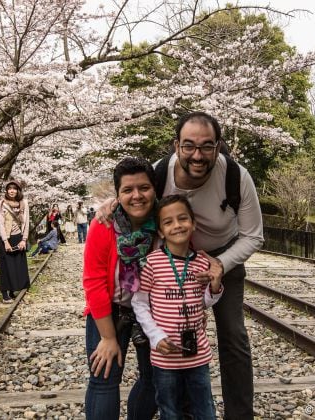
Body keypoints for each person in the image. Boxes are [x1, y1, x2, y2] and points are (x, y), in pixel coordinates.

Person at [98, 111, 264, 419]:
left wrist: (220, 265)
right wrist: (110, 205)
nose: (197, 155)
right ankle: (185, 411)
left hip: (222, 257)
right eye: (189, 146)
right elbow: (137, 196)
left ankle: (240, 414)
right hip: (172, 261)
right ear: (177, 146)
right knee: (174, 331)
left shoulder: (236, 177)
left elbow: (254, 236)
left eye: (206, 146)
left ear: (218, 146)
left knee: (233, 335)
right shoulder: (161, 173)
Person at [132, 195, 223, 420]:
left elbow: (204, 302)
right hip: (165, 355)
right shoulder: (152, 263)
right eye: (168, 222)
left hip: (198, 354)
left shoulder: (202, 263)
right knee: (169, 410)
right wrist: (155, 336)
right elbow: (140, 303)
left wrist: (215, 285)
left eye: (183, 219)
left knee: (205, 409)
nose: (177, 225)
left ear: (193, 223)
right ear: (161, 231)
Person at [83, 157, 158, 420]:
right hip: (109, 309)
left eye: (144, 188)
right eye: (127, 190)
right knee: (104, 376)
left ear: (155, 189)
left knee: (154, 380)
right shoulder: (104, 224)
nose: (136, 196)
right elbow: (93, 281)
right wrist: (107, 338)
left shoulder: (167, 222)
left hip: (153, 311)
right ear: (117, 195)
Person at [0, 179, 31, 304]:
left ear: (18, 190)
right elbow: (0, 223)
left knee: (18, 265)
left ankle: (14, 290)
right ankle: (5, 293)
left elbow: (26, 222)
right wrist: (5, 241)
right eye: (10, 188)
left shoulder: (24, 203)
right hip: (6, 237)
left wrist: (24, 239)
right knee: (6, 266)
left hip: (19, 236)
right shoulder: (2, 203)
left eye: (14, 188)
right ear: (6, 190)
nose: (12, 191)